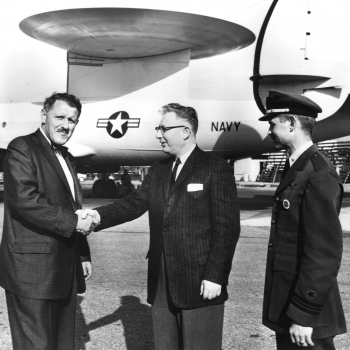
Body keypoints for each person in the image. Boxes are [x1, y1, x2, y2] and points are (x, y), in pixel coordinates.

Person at [84, 103, 240, 350]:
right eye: (158, 129)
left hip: (200, 279)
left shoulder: (215, 168)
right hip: (162, 279)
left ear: (186, 131)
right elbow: (134, 203)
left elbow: (227, 228)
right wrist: (96, 216)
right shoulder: (158, 170)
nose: (158, 134)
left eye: (164, 129)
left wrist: (215, 275)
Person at [0, 92, 98, 350]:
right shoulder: (22, 147)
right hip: (31, 272)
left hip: (63, 269)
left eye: (72, 120)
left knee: (63, 344)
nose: (66, 125)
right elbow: (25, 200)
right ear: (44, 116)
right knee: (37, 346)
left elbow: (73, 207)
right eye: (60, 117)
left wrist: (83, 254)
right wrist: (75, 223)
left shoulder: (67, 157)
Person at [259, 90, 346, 349]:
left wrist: (304, 315)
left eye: (273, 124)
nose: (269, 132)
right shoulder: (298, 166)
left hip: (306, 314)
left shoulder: (317, 173)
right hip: (290, 301)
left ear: (292, 124)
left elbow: (324, 252)